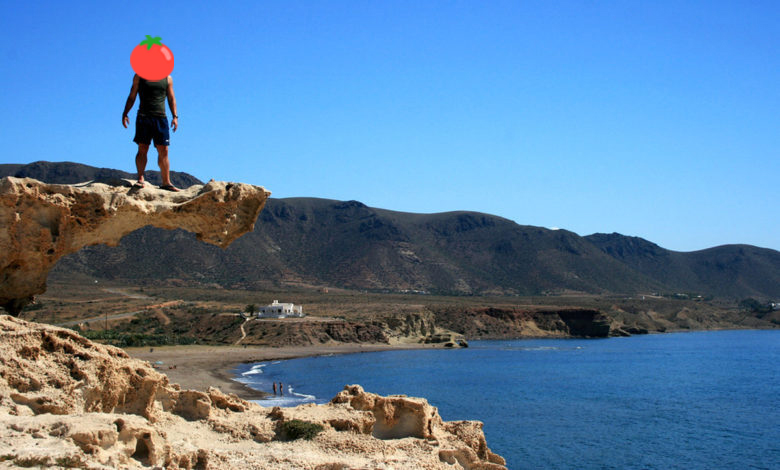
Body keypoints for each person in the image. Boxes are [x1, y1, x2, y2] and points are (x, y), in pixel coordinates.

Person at [122, 74, 180, 191]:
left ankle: (166, 182)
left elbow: (171, 97)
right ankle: (140, 178)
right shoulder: (139, 76)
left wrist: (175, 116)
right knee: (143, 148)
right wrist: (125, 113)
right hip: (144, 116)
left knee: (164, 150)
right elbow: (132, 95)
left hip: (161, 117)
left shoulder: (167, 78)